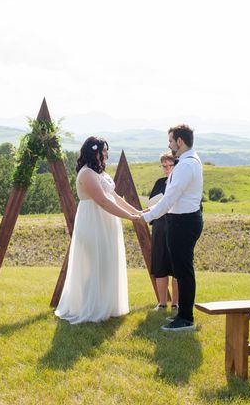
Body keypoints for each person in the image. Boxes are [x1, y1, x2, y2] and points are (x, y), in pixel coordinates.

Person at [55, 137, 141, 324]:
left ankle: (105, 305)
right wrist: (128, 217)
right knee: (95, 265)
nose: (105, 154)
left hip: (106, 222)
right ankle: (90, 307)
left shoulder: (100, 173)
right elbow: (102, 201)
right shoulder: (86, 174)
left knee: (106, 263)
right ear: (92, 152)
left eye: (105, 151)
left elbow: (114, 197)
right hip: (93, 223)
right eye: (102, 151)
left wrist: (136, 212)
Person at [141, 124, 203, 331]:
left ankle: (185, 318)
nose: (169, 145)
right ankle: (182, 313)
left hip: (183, 223)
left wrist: (146, 216)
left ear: (179, 141)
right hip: (182, 221)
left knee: (184, 271)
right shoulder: (187, 161)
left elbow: (169, 199)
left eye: (170, 141)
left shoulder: (186, 166)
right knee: (181, 269)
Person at [148, 152, 179, 311]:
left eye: (170, 165)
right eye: (164, 166)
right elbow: (151, 204)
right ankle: (161, 303)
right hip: (160, 227)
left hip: (176, 227)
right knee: (160, 265)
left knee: (176, 267)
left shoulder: (181, 182)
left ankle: (175, 303)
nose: (167, 169)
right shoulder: (159, 183)